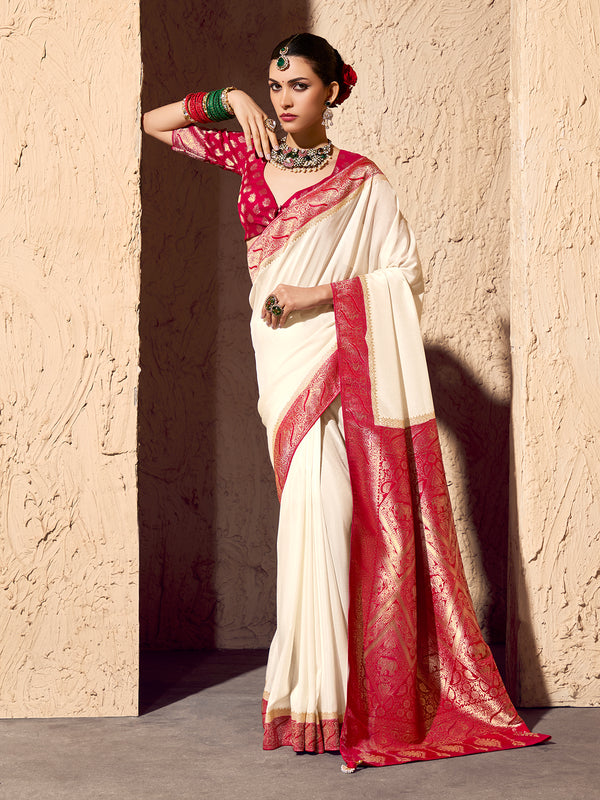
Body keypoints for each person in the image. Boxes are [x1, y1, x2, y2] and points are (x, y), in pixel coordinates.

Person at [143, 32, 549, 773]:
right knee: (312, 513)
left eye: (298, 85)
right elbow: (153, 124)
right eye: (275, 86)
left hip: (338, 351)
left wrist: (319, 295)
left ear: (332, 91)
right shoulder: (248, 154)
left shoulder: (363, 181)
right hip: (286, 367)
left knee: (333, 517)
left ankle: (335, 699)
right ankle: (312, 699)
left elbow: (402, 275)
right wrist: (228, 99)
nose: (283, 99)